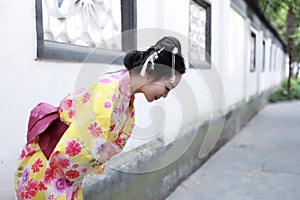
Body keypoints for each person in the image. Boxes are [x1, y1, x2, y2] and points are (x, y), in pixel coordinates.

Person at [14, 36, 186, 200]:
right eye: (167, 88)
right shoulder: (108, 90)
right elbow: (74, 153)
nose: (165, 95)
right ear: (150, 73)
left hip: (63, 175)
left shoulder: (126, 99)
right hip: (48, 169)